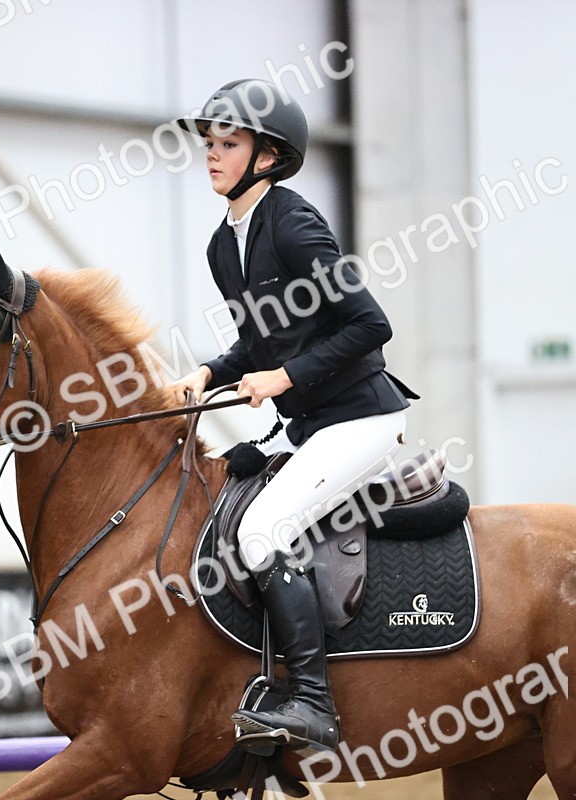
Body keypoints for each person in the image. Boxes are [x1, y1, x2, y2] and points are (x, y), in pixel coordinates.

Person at [168, 79, 417, 755]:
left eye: (229, 144)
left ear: (269, 157)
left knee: (264, 530)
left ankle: (312, 701)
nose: (212, 156)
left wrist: (284, 377)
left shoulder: (294, 223)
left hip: (363, 420)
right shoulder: (227, 244)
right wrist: (209, 372)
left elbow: (370, 324)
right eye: (210, 144)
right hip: (313, 427)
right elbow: (262, 338)